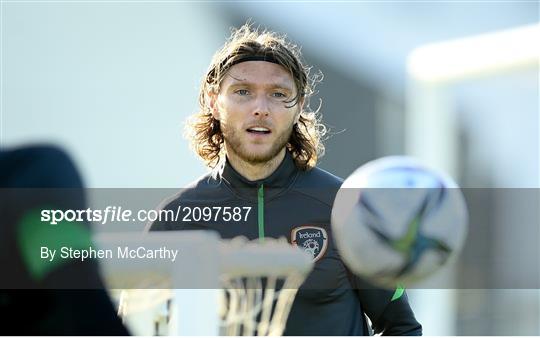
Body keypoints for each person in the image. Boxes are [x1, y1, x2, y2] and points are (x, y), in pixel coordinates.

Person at [147, 24, 422, 336]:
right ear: (213, 102)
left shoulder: (349, 209)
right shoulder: (176, 221)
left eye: (278, 95)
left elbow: (402, 327)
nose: (260, 109)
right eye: (242, 92)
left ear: (298, 107)